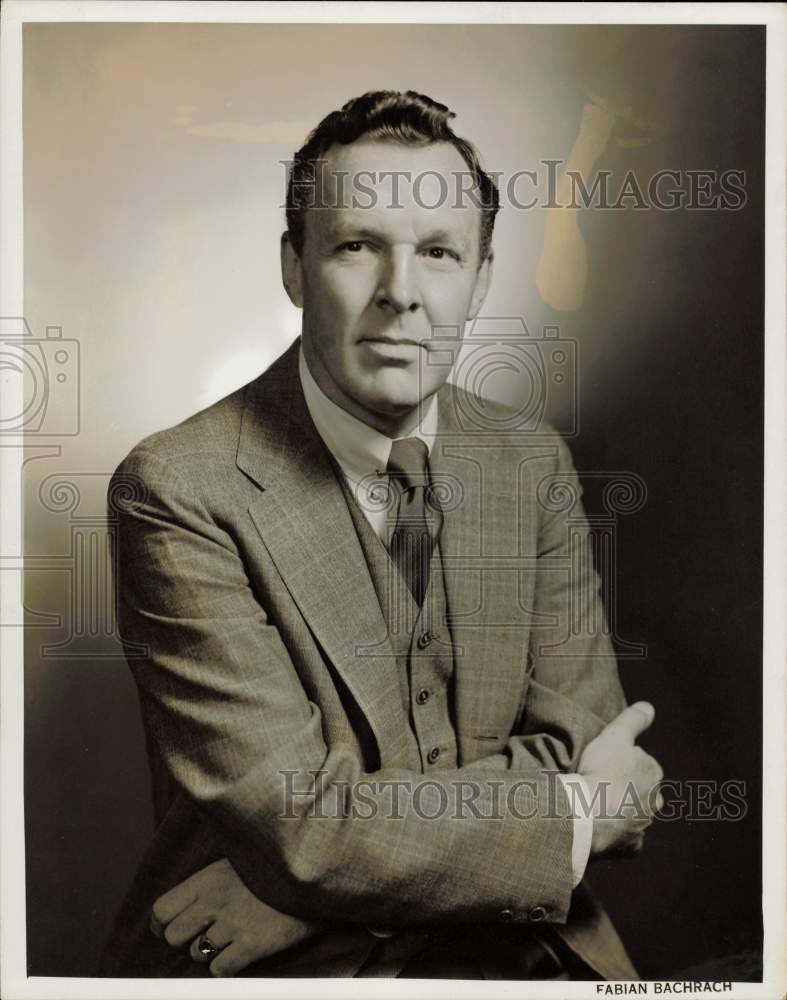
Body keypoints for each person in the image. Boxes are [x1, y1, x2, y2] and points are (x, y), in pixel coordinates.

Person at [98, 90, 663, 981]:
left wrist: (306, 897)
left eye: (437, 253)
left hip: (512, 946)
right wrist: (578, 815)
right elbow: (303, 827)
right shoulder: (176, 488)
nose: (401, 295)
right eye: (357, 246)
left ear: (479, 280)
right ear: (292, 268)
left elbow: (571, 737)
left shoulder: (532, 461)